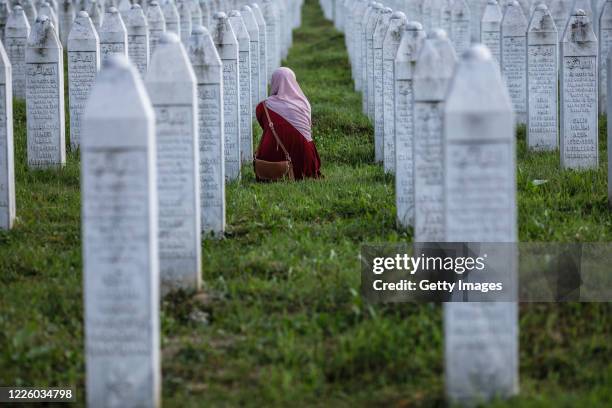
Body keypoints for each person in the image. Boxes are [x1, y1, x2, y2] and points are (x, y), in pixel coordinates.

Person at [255, 67, 322, 180]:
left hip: (271, 160)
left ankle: (271, 175)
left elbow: (265, 127)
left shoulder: (263, 107)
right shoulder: (304, 104)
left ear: (274, 82)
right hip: (304, 160)